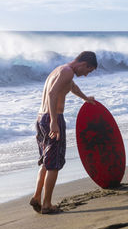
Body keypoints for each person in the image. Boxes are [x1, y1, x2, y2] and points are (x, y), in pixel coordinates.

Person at [30, 51, 97, 214]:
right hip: (52, 118)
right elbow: (53, 94)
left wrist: (85, 98)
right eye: (88, 71)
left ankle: (37, 197)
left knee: (47, 161)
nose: (86, 75)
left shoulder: (61, 70)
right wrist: (54, 121)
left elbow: (71, 87)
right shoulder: (67, 72)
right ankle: (47, 205)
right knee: (54, 164)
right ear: (83, 64)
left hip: (41, 118)